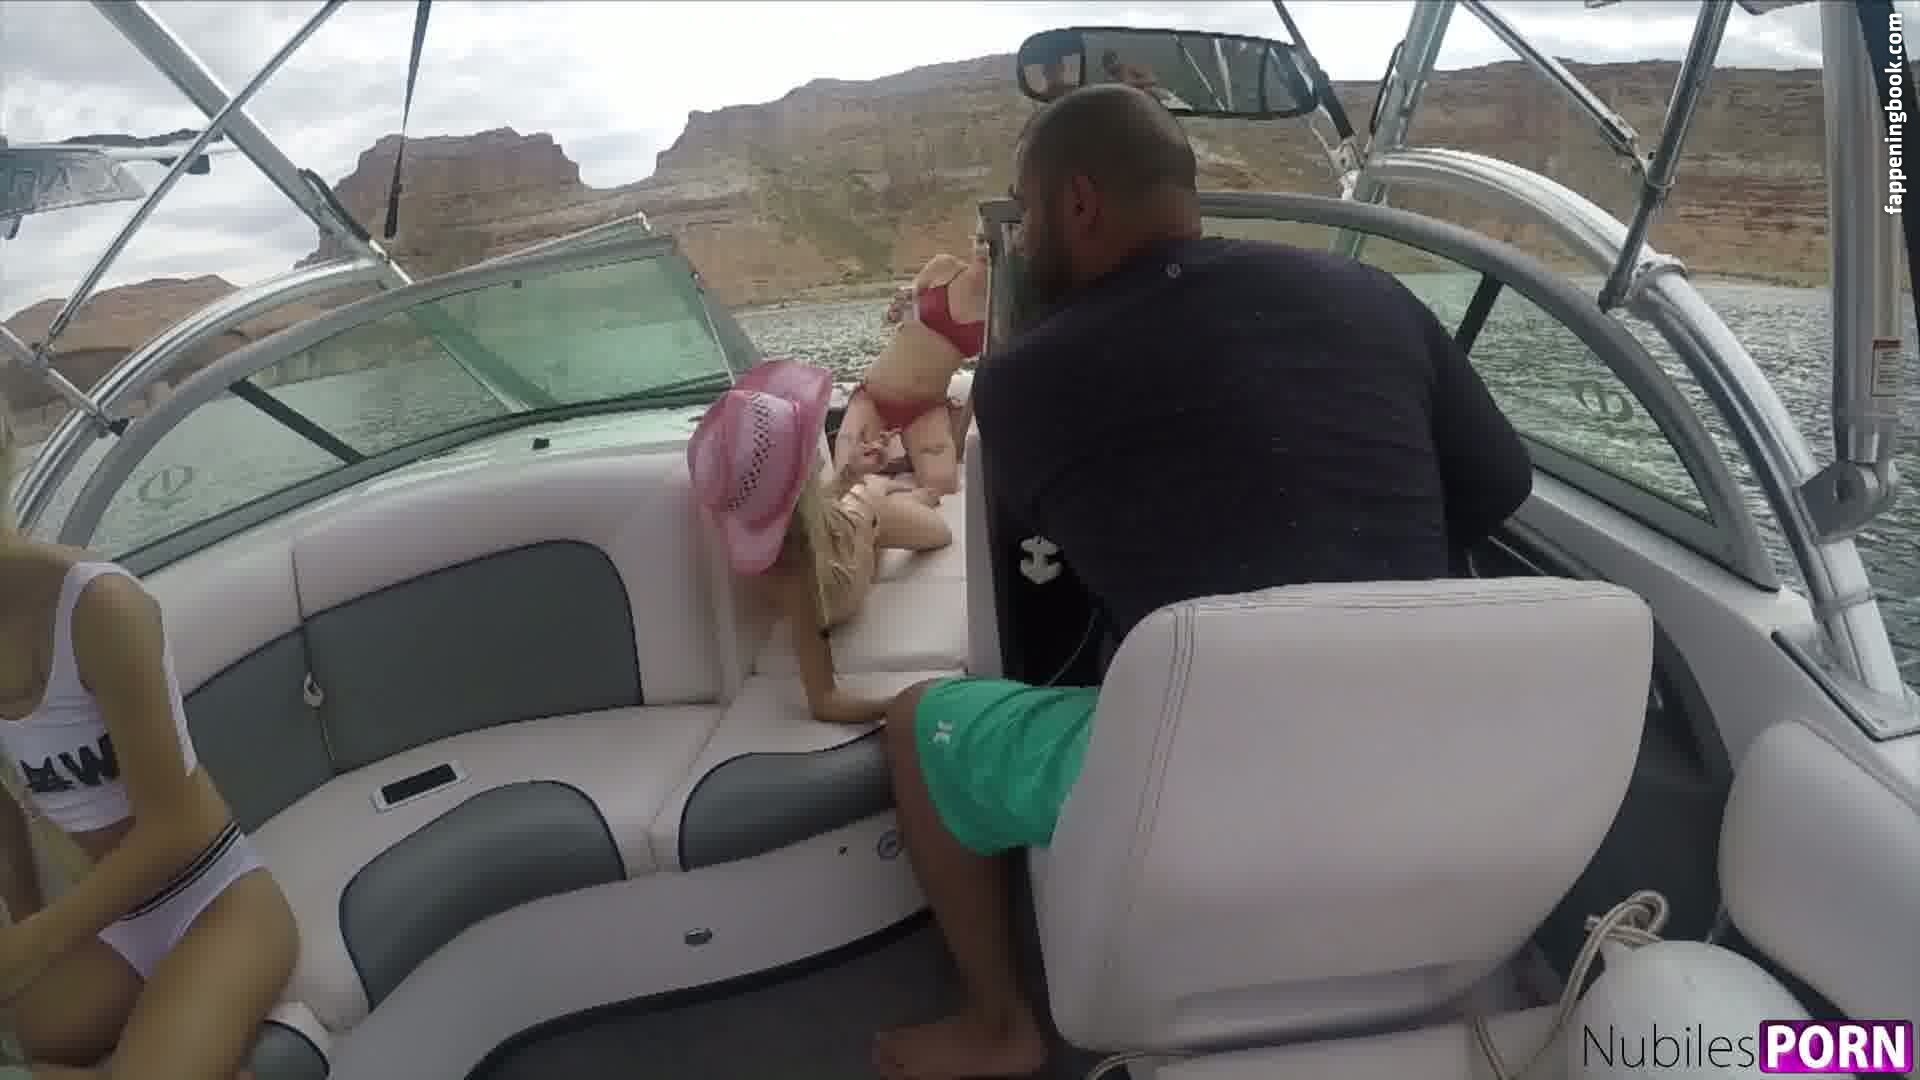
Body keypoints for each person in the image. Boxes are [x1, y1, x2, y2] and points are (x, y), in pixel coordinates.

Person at [870, 84, 1532, 1080]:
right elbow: (1497, 486)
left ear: (1078, 203)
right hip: (1431, 750)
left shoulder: (1028, 377)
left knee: (920, 725)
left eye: (1026, 211)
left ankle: (999, 1024)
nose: (1021, 239)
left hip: (1216, 783)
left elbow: (1060, 569)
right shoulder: (1372, 295)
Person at [0, 397, 297, 1079]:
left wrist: (37, 944)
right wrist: (25, 924)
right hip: (114, 920)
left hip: (218, 897)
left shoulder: (98, 607)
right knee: (32, 1033)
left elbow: (176, 825)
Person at [689, 359, 953, 726]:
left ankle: (896, 492)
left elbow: (813, 511)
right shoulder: (797, 570)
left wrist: (848, 474)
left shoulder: (785, 530)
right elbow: (826, 702)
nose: (815, 450)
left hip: (842, 535)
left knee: (866, 493)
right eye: (807, 445)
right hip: (854, 543)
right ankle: (907, 495)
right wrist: (904, 703)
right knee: (935, 531)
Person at [832, 227, 990, 499]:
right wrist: (894, 311)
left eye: (992, 242)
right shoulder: (944, 268)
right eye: (981, 239)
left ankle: (890, 486)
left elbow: (986, 374)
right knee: (845, 475)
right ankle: (891, 485)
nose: (985, 248)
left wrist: (961, 436)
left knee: (944, 485)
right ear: (972, 241)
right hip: (875, 395)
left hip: (925, 408)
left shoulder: (997, 307)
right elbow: (898, 311)